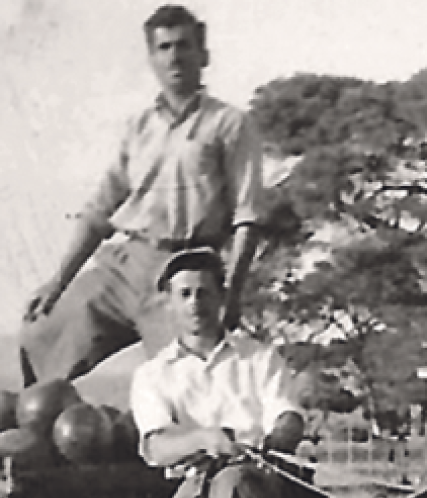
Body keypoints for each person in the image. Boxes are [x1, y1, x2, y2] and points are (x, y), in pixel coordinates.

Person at [20, 4, 263, 386]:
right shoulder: (138, 128)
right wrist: (58, 281)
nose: (175, 57)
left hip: (186, 268)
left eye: (183, 46)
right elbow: (100, 210)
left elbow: (247, 218)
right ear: (151, 59)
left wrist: (230, 296)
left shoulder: (229, 124)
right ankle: (32, 422)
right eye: (164, 47)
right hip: (127, 264)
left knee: (189, 382)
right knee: (41, 333)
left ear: (203, 55)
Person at [122, 248, 304, 498]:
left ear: (221, 297)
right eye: (185, 294)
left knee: (235, 481)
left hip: (259, 486)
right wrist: (204, 439)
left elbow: (287, 415)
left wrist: (276, 439)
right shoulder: (152, 375)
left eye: (204, 293)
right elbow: (156, 447)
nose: (195, 303)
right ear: (169, 302)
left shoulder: (259, 358)